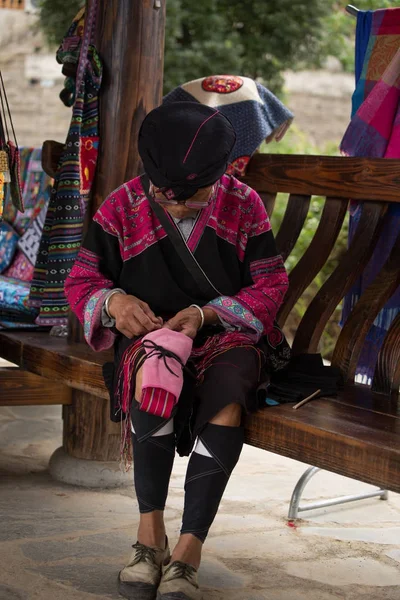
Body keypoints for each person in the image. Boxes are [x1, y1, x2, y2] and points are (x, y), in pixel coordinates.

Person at [65, 102, 289, 600]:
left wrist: (208, 315)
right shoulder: (121, 206)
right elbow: (82, 279)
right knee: (154, 377)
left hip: (223, 337)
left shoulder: (244, 204)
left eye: (192, 196)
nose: (179, 204)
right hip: (151, 338)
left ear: (221, 172)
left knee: (229, 393)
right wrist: (114, 301)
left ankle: (188, 549)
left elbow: (271, 284)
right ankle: (150, 536)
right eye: (166, 196)